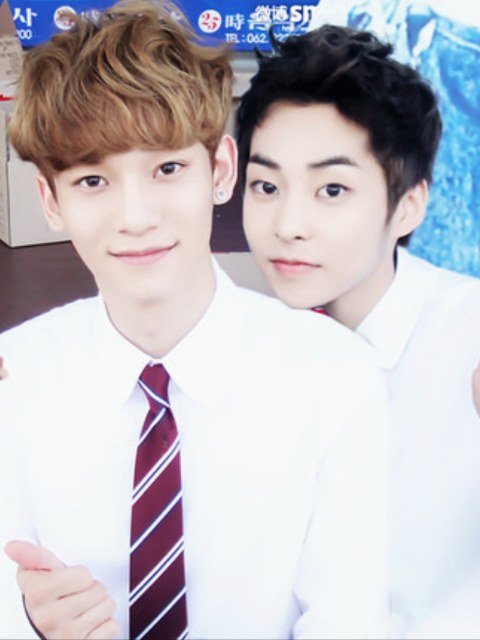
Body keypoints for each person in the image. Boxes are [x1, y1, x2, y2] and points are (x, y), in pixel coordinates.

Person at [0, 3, 391, 638]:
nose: (136, 217)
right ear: (51, 200)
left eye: (167, 169)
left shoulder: (335, 377)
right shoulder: (15, 380)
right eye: (93, 181)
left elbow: (351, 619)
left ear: (222, 171)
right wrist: (27, 624)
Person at [236, 24, 480, 639]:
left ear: (408, 207)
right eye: (267, 186)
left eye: (332, 189)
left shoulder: (467, 339)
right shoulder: (234, 339)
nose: (289, 224)